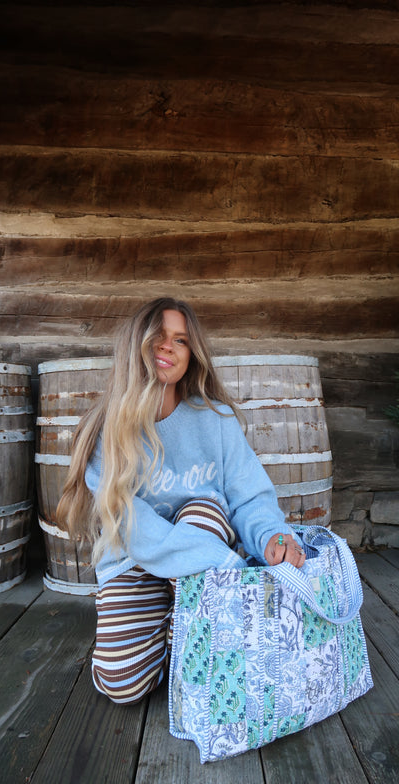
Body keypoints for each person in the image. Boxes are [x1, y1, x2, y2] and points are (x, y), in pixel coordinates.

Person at [57, 297, 306, 705]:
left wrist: (270, 537)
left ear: (192, 354)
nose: (167, 346)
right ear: (136, 344)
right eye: (158, 336)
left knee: (203, 509)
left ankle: (190, 633)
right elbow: (131, 526)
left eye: (181, 340)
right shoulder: (106, 431)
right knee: (121, 683)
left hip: (204, 545)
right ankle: (175, 621)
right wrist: (223, 562)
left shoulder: (215, 419)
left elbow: (250, 496)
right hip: (139, 559)